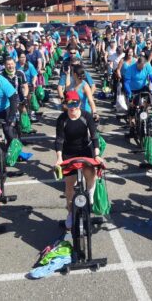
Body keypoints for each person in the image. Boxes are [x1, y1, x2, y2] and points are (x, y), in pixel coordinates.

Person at [54, 91, 103, 229]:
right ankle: (70, 213)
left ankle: (90, 195)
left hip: (85, 150)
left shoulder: (86, 116)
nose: (73, 107)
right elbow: (59, 140)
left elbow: (94, 136)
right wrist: (58, 158)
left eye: (75, 103)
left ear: (80, 103)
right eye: (70, 104)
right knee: (69, 186)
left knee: (90, 172)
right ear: (66, 104)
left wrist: (97, 154)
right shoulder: (62, 119)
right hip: (68, 153)